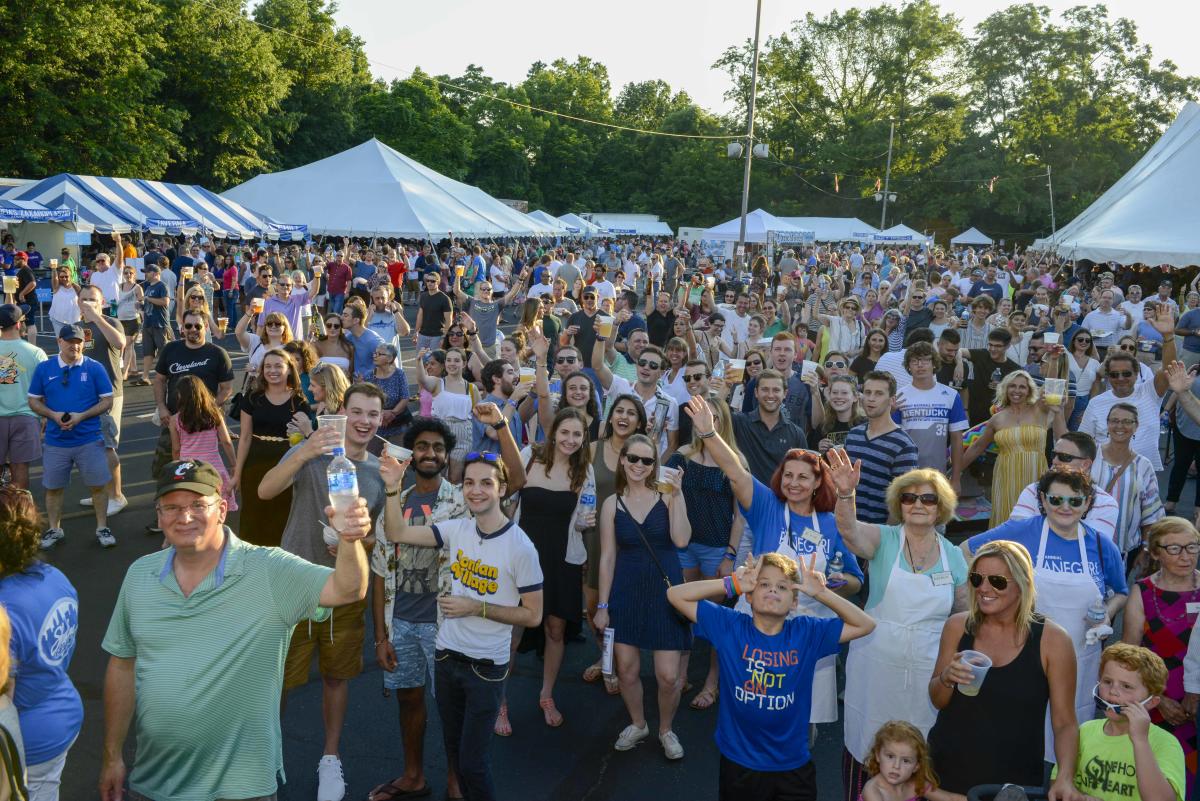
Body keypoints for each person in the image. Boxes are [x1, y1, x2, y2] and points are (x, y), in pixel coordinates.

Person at [99, 460, 375, 801]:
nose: (185, 518)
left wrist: (350, 539)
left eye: (198, 505)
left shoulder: (269, 569)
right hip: (154, 783)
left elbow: (348, 589)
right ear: (158, 516)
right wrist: (112, 757)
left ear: (222, 509)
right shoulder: (139, 576)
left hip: (242, 789)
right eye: (172, 507)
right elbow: (122, 665)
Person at [684, 397, 862, 730]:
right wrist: (709, 433)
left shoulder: (830, 523)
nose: (794, 483)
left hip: (808, 630)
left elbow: (854, 581)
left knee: (801, 721)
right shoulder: (766, 506)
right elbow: (735, 473)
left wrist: (829, 584)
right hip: (760, 627)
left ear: (817, 484)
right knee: (754, 706)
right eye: (788, 475)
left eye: (803, 477)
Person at [382, 451, 543, 801]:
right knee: (455, 754)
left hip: (486, 666)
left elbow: (533, 615)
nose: (476, 491)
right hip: (446, 658)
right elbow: (395, 531)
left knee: (472, 763)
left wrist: (477, 607)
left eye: (486, 483)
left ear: (501, 489)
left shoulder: (521, 548)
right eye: (469, 482)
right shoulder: (457, 530)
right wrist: (393, 487)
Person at [666, 552, 875, 800]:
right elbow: (674, 595)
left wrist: (821, 593)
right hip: (739, 763)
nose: (772, 590)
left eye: (782, 587)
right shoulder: (730, 626)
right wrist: (732, 583)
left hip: (792, 765)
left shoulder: (806, 633)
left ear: (794, 602)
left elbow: (865, 624)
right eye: (763, 584)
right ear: (750, 595)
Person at [825, 452, 967, 798]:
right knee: (869, 745)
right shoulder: (885, 539)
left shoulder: (954, 556)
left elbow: (964, 615)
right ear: (899, 503)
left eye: (928, 498)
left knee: (918, 752)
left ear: (941, 506)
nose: (918, 504)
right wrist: (846, 495)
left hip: (926, 676)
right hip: (876, 670)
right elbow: (849, 531)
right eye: (909, 497)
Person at [965, 468, 1129, 762]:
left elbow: (1121, 591)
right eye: (1056, 499)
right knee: (1014, 734)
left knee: (1067, 727)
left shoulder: (1104, 546)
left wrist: (1107, 612)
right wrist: (983, 595)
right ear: (1042, 499)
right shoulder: (1022, 531)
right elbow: (966, 551)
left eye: (1075, 501)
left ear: (1088, 502)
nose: (1065, 508)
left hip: (1080, 656)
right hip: (1023, 653)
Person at [927, 540, 1082, 798]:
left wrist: (1065, 777)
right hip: (947, 772)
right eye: (977, 579)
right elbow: (937, 700)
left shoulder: (1053, 641)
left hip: (1012, 783)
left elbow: (1065, 723)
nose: (984, 589)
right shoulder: (957, 626)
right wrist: (945, 678)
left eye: (997, 581)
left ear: (1022, 586)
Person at [368, 418, 468, 801]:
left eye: (438, 447)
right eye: (422, 446)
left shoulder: (463, 502)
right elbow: (379, 573)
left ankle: (457, 780)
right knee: (410, 701)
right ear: (411, 455)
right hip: (402, 624)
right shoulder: (396, 500)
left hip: (447, 625)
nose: (430, 453)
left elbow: (516, 484)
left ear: (446, 454)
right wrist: (380, 636)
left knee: (451, 706)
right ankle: (413, 776)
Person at [592, 433, 692, 759]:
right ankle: (639, 723)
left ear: (654, 465)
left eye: (646, 460)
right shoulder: (612, 503)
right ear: (623, 460)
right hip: (626, 591)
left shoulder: (667, 497)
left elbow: (681, 540)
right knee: (627, 671)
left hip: (665, 592)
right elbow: (607, 557)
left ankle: (666, 728)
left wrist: (678, 496)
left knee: (668, 676)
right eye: (632, 458)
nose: (638, 465)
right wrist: (602, 605)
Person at [512, 407, 594, 728]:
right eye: (565, 432)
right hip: (522, 557)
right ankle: (499, 700)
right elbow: (506, 497)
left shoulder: (582, 471)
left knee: (556, 629)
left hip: (562, 560)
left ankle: (547, 693)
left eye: (577, 434)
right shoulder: (530, 457)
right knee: (512, 634)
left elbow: (584, 517)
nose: (570, 440)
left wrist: (586, 523)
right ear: (553, 431)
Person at [664, 398, 746, 711]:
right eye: (701, 417)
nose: (704, 422)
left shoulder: (734, 461)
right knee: (683, 613)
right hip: (683, 546)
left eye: (712, 417)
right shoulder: (681, 456)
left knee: (713, 620)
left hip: (716, 549)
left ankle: (712, 681)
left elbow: (740, 516)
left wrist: (730, 554)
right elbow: (663, 498)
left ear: (722, 421)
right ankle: (681, 675)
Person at [0, 484, 81, 801]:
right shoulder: (53, 576)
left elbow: (4, 701)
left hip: (26, 742)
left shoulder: (4, 610)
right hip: (61, 713)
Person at [1121, 517, 1200, 796]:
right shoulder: (1142, 592)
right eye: (1174, 549)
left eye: (1192, 547)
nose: (1186, 556)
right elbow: (1130, 657)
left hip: (1196, 700)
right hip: (1155, 701)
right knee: (1155, 776)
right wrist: (1160, 700)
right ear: (1155, 552)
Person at [28, 324, 115, 550]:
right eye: (70, 341)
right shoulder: (44, 368)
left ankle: (102, 527)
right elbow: (33, 400)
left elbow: (107, 400)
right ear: (59, 342)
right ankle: (54, 529)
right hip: (56, 441)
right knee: (53, 488)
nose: (75, 345)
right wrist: (53, 415)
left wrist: (82, 416)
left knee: (98, 485)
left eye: (79, 341)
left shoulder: (95, 368)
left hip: (89, 438)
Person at [1064, 643, 1186, 801]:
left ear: (1151, 702)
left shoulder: (1166, 743)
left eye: (1126, 686)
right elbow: (1059, 783)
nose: (1113, 691)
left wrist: (1140, 741)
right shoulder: (1084, 732)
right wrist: (1079, 797)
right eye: (1107, 682)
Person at [963, 369, 1067, 525]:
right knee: (1007, 518)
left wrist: (1059, 412)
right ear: (1005, 389)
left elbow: (1062, 439)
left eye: (1022, 387)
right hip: (1006, 477)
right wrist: (956, 473)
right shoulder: (997, 419)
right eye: (1012, 386)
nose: (1017, 390)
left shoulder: (1040, 410)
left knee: (1035, 519)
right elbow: (977, 447)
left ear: (1029, 390)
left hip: (1036, 474)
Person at [1079, 308, 1176, 472]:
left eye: (1126, 373)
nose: (1120, 378)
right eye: (1114, 374)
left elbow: (1169, 369)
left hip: (1144, 473)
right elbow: (1084, 442)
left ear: (1136, 373)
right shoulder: (1096, 403)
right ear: (1108, 376)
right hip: (1105, 473)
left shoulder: (1149, 392)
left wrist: (1168, 337)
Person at [232, 350, 312, 547]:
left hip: (286, 463)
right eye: (268, 366)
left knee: (282, 516)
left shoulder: (299, 401)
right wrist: (237, 473)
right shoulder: (252, 397)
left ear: (288, 369)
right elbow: (244, 438)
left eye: (278, 366)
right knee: (253, 516)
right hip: (255, 462)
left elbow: (302, 440)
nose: (272, 370)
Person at [152, 309, 234, 483]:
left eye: (198, 326)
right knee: (164, 468)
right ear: (182, 328)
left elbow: (226, 389)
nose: (193, 329)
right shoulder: (171, 349)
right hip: (174, 420)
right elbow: (159, 380)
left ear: (206, 327)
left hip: (204, 424)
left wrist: (209, 408)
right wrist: (161, 407)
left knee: (204, 470)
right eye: (188, 325)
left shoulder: (217, 353)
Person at [76, 284, 129, 518]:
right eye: (84, 299)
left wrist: (97, 317)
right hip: (83, 395)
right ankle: (101, 492)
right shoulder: (76, 327)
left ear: (102, 302)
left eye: (93, 300)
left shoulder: (110, 322)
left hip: (108, 394)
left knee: (107, 446)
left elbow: (120, 343)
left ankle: (117, 496)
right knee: (91, 448)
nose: (88, 303)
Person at [1091, 402, 1165, 570]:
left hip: (1123, 552)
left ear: (1136, 426)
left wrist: (1145, 548)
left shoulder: (1143, 465)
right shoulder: (1091, 455)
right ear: (1107, 423)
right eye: (1114, 420)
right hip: (1086, 544)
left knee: (1116, 595)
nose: (1120, 426)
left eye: (1126, 421)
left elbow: (1151, 513)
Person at [1010, 432, 1121, 541]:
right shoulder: (1033, 490)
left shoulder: (1106, 503)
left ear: (1085, 464)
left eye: (1065, 457)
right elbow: (1016, 531)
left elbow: (1095, 545)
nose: (1055, 461)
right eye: (1054, 455)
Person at [843, 372, 918, 525]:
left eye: (879, 393)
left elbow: (903, 501)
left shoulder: (903, 445)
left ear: (892, 400)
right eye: (868, 392)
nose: (871, 398)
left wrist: (884, 541)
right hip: (847, 528)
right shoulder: (853, 435)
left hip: (878, 535)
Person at [893, 341, 967, 494]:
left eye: (925, 360)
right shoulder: (898, 396)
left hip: (937, 475)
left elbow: (957, 439)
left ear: (934, 363)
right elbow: (893, 439)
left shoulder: (951, 395)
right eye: (914, 361)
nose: (920, 365)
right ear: (908, 366)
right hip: (905, 474)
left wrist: (956, 478)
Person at [169, 375, 237, 510]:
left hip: (187, 467)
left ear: (180, 396)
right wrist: (234, 465)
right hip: (213, 466)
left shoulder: (175, 420)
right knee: (217, 504)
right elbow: (226, 441)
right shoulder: (214, 414)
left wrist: (176, 468)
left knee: (193, 504)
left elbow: (176, 448)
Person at [0, 304, 46, 491]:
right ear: (19, 325)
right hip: (27, 417)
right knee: (20, 468)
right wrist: (45, 416)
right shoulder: (36, 353)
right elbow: (46, 390)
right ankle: (20, 514)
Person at [415, 348, 476, 482]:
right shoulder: (438, 383)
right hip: (441, 430)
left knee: (455, 478)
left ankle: (453, 502)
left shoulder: (470, 388)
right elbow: (422, 379)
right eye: (448, 360)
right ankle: (434, 502)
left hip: (463, 434)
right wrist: (419, 360)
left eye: (456, 360)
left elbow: (477, 412)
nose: (452, 364)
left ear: (464, 364)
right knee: (437, 475)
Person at [860, 722, 940, 801]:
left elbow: (950, 798)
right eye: (890, 756)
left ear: (916, 766)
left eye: (905, 761)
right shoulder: (872, 790)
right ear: (878, 755)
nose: (896, 766)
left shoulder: (915, 784)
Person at [414, 272, 453, 352]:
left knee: (435, 361)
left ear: (438, 282)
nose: (429, 283)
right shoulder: (423, 296)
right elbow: (420, 315)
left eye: (432, 281)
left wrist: (444, 337)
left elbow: (449, 321)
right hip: (422, 335)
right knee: (420, 360)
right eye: (427, 281)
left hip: (437, 336)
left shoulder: (445, 299)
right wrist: (416, 332)